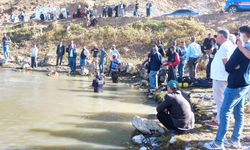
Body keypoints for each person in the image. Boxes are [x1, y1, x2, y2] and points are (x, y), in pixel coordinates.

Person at [204, 26, 250, 150]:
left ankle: (218, 143)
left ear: (244, 36)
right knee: (239, 112)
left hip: (235, 84)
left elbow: (228, 67)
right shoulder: (245, 48)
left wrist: (240, 48)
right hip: (245, 84)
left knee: (224, 112)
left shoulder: (241, 48)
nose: (237, 37)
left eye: (240, 35)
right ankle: (235, 140)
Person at [209, 29, 236, 127]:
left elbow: (227, 63)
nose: (216, 39)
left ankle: (220, 120)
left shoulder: (225, 47)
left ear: (221, 37)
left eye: (217, 36)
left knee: (220, 100)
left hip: (220, 77)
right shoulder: (229, 45)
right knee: (224, 100)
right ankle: (221, 118)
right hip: (222, 77)